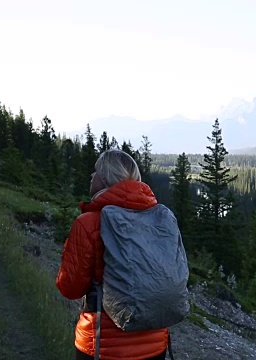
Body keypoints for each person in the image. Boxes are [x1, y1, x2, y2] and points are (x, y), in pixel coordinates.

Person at [56, 149, 168, 360]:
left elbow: (70, 288)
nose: (91, 176)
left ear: (106, 178)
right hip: (155, 343)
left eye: (96, 171)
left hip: (104, 346)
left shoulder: (88, 223)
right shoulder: (157, 219)